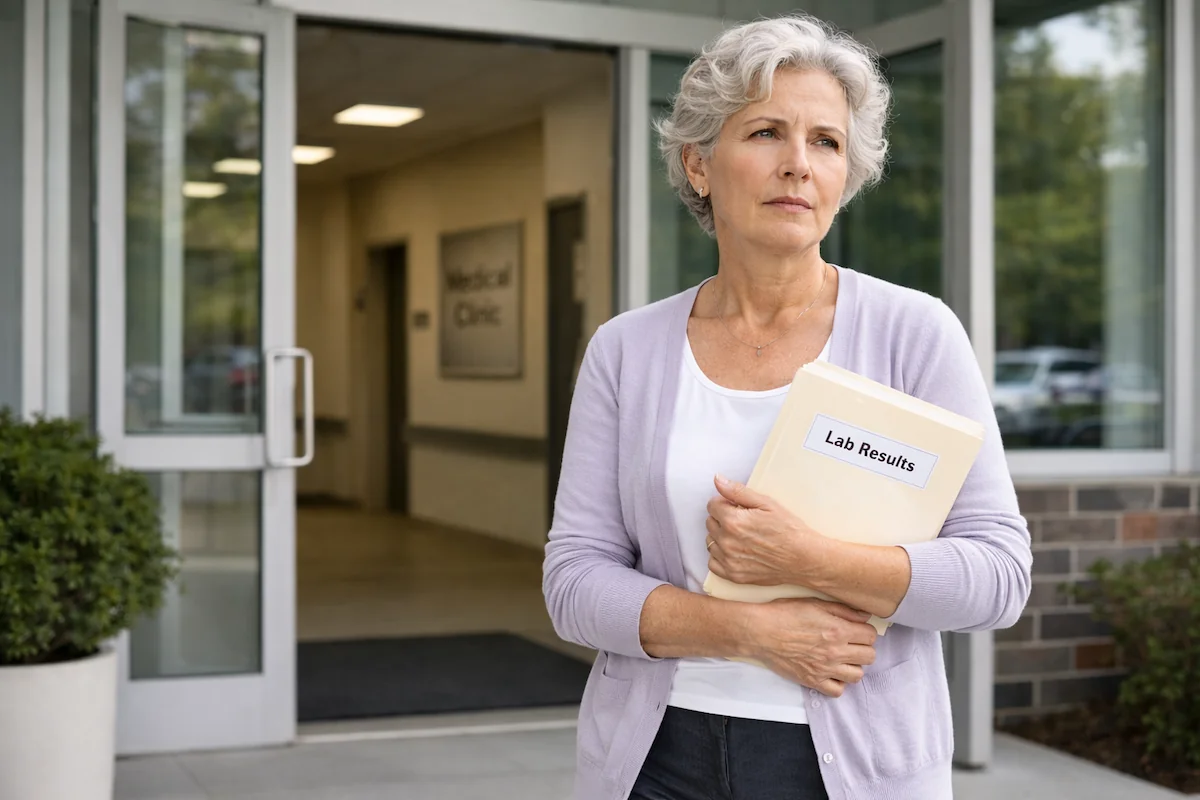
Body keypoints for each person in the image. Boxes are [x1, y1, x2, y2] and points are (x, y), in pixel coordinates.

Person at [543, 13, 1032, 800]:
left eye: (827, 142)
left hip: (854, 763)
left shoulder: (915, 331)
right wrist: (749, 632)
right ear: (700, 164)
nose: (799, 165)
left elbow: (999, 575)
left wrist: (805, 559)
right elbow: (573, 583)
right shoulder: (625, 349)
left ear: (847, 175)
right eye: (767, 132)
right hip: (656, 759)